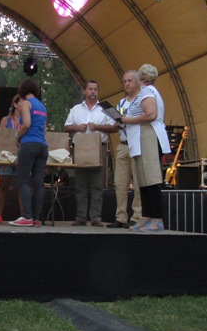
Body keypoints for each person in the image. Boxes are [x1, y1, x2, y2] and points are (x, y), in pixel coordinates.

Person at [119, 63, 171, 232]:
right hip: (140, 138)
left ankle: (157, 219)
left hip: (148, 136)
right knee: (143, 180)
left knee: (151, 180)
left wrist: (128, 120)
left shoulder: (148, 92)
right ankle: (146, 217)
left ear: (140, 78)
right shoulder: (147, 92)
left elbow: (151, 114)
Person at [64, 80, 116, 226]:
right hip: (80, 147)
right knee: (80, 184)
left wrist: (97, 126)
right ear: (84, 91)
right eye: (90, 89)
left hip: (98, 147)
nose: (93, 91)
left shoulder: (104, 109)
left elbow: (114, 127)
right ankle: (81, 217)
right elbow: (66, 127)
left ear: (98, 92)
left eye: (95, 89)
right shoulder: (76, 109)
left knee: (97, 184)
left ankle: (95, 218)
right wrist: (77, 127)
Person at [10, 80, 48, 227]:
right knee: (38, 184)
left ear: (22, 91)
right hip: (42, 146)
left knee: (23, 180)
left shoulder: (26, 103)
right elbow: (44, 129)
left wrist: (17, 135)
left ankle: (26, 216)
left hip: (29, 144)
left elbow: (26, 123)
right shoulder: (42, 106)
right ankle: (36, 219)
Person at [107, 70, 142, 228]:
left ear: (137, 82)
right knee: (120, 183)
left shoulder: (142, 100)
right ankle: (121, 216)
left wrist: (128, 121)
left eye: (130, 81)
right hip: (123, 144)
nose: (127, 84)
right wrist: (116, 124)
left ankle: (137, 216)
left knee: (138, 182)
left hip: (136, 143)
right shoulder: (121, 103)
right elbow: (116, 124)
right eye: (125, 81)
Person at [0, 95, 24, 223]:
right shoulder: (6, 120)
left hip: (22, 156)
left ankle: (24, 216)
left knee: (22, 186)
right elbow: (0, 138)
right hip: (6, 156)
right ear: (15, 104)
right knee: (3, 185)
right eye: (22, 102)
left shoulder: (27, 120)